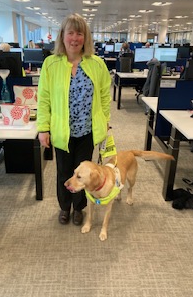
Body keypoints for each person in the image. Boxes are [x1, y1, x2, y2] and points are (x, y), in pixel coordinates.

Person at [37, 13, 111, 226]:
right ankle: (64, 207)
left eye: (80, 33)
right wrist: (43, 128)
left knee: (84, 175)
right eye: (71, 32)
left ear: (85, 37)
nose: (75, 38)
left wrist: (104, 120)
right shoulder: (51, 64)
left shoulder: (96, 64)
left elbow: (105, 95)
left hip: (87, 131)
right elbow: (44, 99)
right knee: (63, 172)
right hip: (62, 132)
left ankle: (79, 208)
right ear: (63, 36)